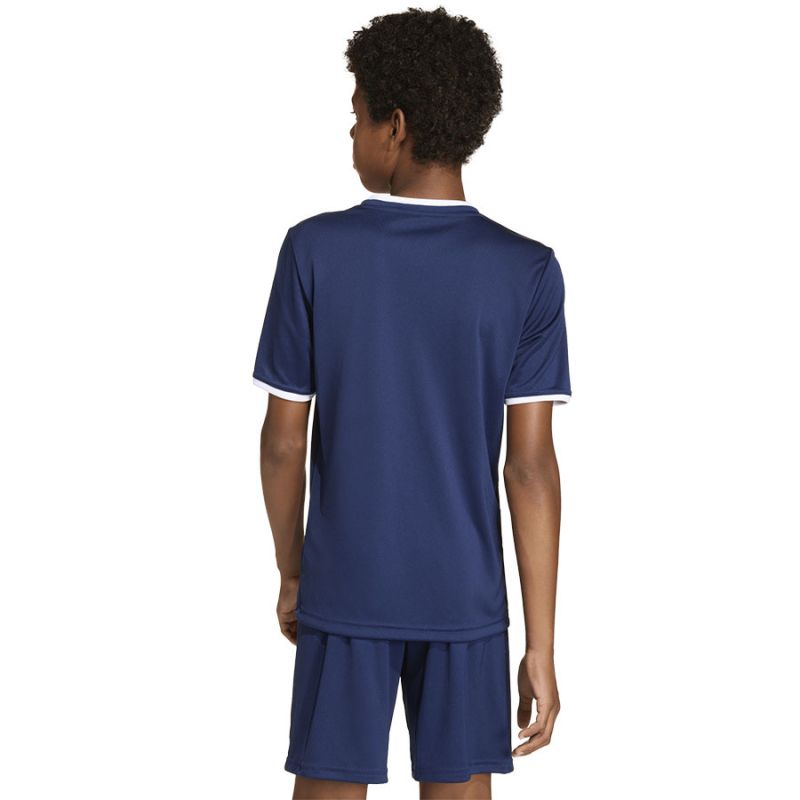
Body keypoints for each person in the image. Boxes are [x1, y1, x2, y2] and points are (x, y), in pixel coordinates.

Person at [252, 7, 571, 799]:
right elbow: (529, 468)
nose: (350, 132)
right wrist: (539, 644)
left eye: (356, 115)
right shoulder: (527, 270)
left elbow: (283, 443)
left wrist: (293, 573)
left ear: (394, 126)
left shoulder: (313, 249)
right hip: (465, 601)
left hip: (345, 587)